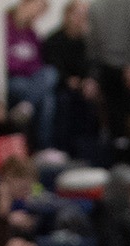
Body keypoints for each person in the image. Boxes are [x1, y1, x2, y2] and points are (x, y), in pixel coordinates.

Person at [42, 0, 99, 157]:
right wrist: (68, 80)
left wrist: (90, 80)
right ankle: (63, 150)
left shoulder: (88, 42)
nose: (81, 19)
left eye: (84, 16)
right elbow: (53, 66)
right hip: (61, 88)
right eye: (78, 15)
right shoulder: (54, 40)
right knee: (64, 102)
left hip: (83, 87)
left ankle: (89, 150)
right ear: (67, 16)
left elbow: (93, 66)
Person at [6, 0, 61, 151]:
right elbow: (8, 63)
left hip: (31, 81)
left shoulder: (32, 34)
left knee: (51, 75)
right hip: (13, 80)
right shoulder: (5, 26)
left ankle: (26, 106)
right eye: (37, 10)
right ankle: (43, 147)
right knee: (46, 97)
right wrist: (25, 68)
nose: (37, 16)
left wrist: (29, 71)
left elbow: (38, 64)